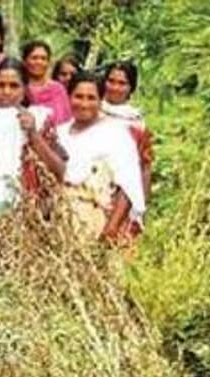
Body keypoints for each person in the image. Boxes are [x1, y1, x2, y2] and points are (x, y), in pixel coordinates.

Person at [28, 71, 145, 247]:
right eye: (78, 96)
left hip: (96, 222)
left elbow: (128, 188)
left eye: (91, 98)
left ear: (101, 100)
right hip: (57, 224)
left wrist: (110, 231)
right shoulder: (59, 133)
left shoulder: (116, 134)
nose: (84, 104)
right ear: (69, 97)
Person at [0, 59, 58, 199]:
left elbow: (60, 171)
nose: (6, 92)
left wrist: (33, 134)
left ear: (24, 89)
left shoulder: (41, 121)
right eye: (0, 85)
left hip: (31, 208)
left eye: (14, 86)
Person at [101, 60, 152, 203]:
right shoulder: (90, 111)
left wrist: (142, 203)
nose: (115, 87)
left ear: (131, 88)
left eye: (122, 83)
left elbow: (144, 165)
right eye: (111, 81)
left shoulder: (136, 122)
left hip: (122, 193)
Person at [22, 41, 71, 124]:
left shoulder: (58, 89)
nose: (39, 62)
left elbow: (66, 120)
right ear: (24, 61)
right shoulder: (18, 87)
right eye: (34, 58)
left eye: (43, 58)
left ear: (48, 62)